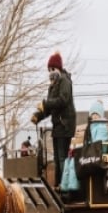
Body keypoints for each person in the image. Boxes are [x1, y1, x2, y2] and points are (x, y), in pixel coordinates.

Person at [30, 52, 76, 191]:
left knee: (62, 157)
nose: (50, 72)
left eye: (52, 69)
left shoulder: (65, 81)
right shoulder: (53, 85)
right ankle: (57, 185)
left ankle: (64, 185)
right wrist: (38, 115)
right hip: (57, 126)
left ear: (58, 68)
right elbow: (50, 108)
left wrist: (45, 103)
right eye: (49, 70)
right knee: (56, 158)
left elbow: (63, 100)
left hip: (65, 124)